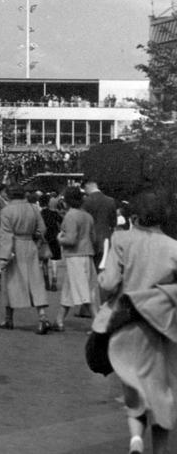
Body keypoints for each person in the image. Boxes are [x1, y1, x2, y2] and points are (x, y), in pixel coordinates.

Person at [97, 189, 177, 454]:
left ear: (135, 215)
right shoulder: (173, 247)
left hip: (127, 324)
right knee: (162, 393)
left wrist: (101, 283)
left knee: (135, 389)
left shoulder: (121, 239)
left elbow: (109, 283)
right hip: (163, 329)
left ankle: (136, 441)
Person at [0, 184, 51, 333]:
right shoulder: (33, 208)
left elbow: (6, 235)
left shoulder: (6, 211)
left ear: (8, 195)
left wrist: (3, 257)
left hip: (14, 247)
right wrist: (36, 238)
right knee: (35, 281)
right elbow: (42, 229)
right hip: (30, 246)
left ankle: (8, 319)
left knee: (10, 282)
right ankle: (42, 317)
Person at [51, 186, 95, 331]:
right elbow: (93, 238)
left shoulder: (70, 216)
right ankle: (59, 321)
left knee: (84, 293)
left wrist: (59, 239)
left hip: (75, 256)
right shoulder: (87, 216)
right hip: (87, 254)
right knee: (69, 290)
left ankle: (99, 325)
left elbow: (70, 240)